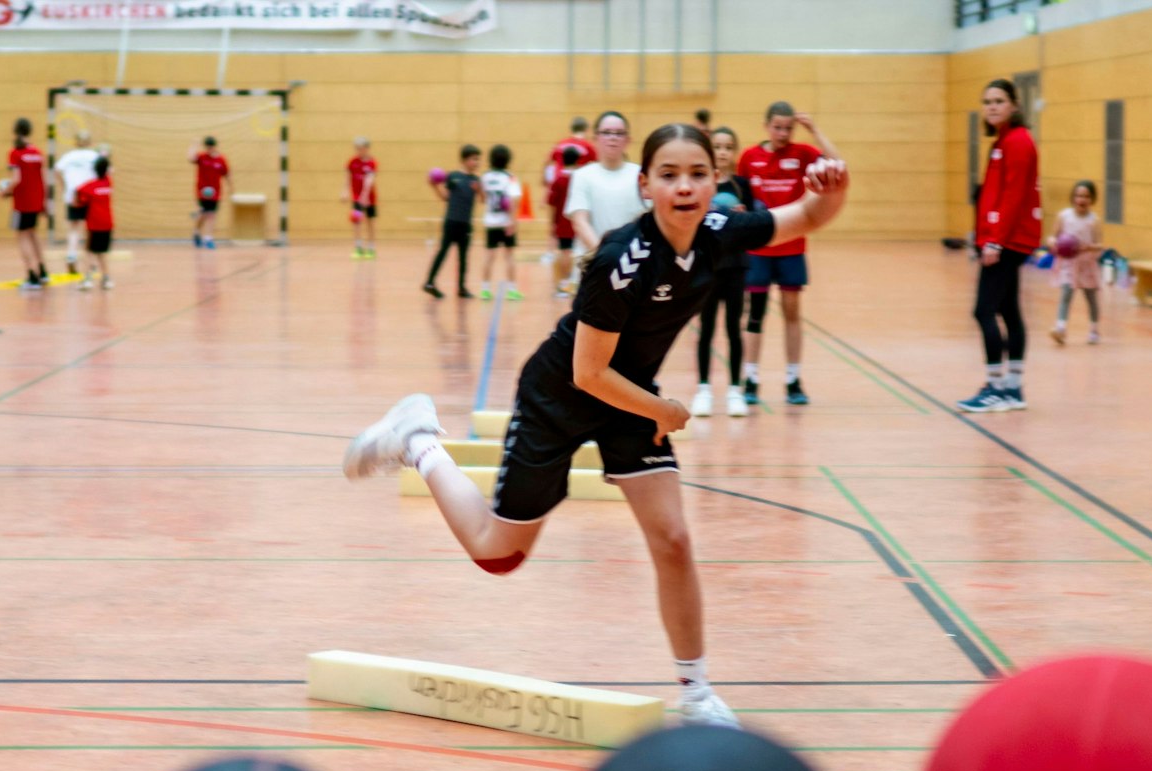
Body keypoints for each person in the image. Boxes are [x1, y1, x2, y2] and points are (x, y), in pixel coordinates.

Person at [342, 123, 851, 729]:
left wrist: (832, 186)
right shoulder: (621, 259)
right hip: (564, 393)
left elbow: (808, 216)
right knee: (497, 555)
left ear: (715, 182)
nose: (684, 186)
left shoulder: (720, 231)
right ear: (645, 187)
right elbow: (588, 372)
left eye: (696, 174)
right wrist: (664, 411)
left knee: (675, 541)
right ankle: (419, 441)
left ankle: (696, 695)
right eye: (668, 175)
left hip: (628, 397)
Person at [738, 100, 839, 407]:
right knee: (755, 315)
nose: (783, 133)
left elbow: (836, 163)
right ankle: (751, 378)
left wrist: (815, 130)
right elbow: (741, 199)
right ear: (766, 125)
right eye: (777, 127)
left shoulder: (803, 154)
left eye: (788, 128)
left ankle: (793, 379)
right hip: (759, 248)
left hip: (792, 247)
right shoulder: (749, 158)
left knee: (791, 312)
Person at [956, 78, 1042, 412]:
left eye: (999, 100)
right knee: (1008, 310)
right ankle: (1013, 388)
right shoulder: (1003, 141)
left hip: (1008, 240)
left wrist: (995, 241)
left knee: (983, 310)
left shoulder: (1018, 141)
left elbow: (1013, 196)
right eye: (987, 101)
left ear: (1014, 105)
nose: (992, 106)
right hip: (1004, 240)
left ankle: (994, 388)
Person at [692, 125, 757, 418]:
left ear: (734, 152)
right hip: (708, 266)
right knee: (706, 329)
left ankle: (735, 390)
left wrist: (746, 220)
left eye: (728, 147)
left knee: (734, 329)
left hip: (736, 267)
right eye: (717, 146)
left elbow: (757, 228)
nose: (722, 152)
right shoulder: (701, 183)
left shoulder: (743, 185)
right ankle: (703, 388)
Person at [564, 110, 643, 262]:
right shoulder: (582, 175)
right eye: (606, 132)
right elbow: (580, 222)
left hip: (633, 266)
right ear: (595, 139)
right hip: (592, 266)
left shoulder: (640, 175)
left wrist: (627, 261)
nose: (613, 137)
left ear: (628, 140)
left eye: (619, 133)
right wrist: (605, 258)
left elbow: (648, 222)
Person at [1050, 179, 1104, 346]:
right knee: (1066, 294)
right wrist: (1052, 243)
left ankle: (1094, 329)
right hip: (1069, 264)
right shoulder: (1063, 216)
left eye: (1086, 196)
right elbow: (1053, 236)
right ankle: (1060, 328)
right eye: (1079, 195)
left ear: (1092, 199)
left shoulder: (1094, 221)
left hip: (1087, 264)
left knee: (1091, 298)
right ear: (1073, 198)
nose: (1082, 199)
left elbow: (1100, 245)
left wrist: (1089, 247)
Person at [423, 144, 482, 300]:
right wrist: (434, 186)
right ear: (464, 160)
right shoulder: (453, 176)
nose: (476, 162)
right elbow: (445, 197)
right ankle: (429, 282)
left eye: (478, 159)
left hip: (466, 223)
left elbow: (483, 200)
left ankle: (462, 288)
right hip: (451, 221)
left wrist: (479, 190)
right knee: (442, 252)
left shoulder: (476, 180)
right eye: (473, 159)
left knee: (463, 257)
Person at [0, 117, 50, 290]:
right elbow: (43, 179)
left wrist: (4, 192)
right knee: (33, 234)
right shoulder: (37, 153)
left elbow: (16, 180)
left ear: (15, 131)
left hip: (21, 204)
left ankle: (31, 275)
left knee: (22, 237)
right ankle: (42, 271)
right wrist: (44, 202)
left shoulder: (15, 152)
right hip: (36, 202)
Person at [479, 144, 523, 301]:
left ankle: (484, 290)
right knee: (509, 256)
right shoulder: (510, 177)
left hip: (490, 222)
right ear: (508, 160)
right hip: (505, 222)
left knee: (489, 256)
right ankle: (512, 290)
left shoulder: (485, 177)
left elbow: (482, 198)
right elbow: (514, 199)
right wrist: (512, 221)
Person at [53, 130, 101, 273]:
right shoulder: (95, 156)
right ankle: (91, 261)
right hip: (90, 196)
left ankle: (71, 256)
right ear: (89, 142)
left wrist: (65, 187)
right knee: (91, 229)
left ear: (75, 142)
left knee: (74, 228)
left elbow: (56, 170)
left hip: (73, 195)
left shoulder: (69, 156)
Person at [547, 145, 583, 299]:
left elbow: (552, 202)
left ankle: (563, 284)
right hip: (580, 222)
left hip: (562, 222)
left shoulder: (559, 179)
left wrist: (551, 223)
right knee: (578, 253)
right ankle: (574, 283)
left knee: (564, 252)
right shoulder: (581, 178)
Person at [75, 155, 115, 290]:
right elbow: (110, 171)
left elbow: (79, 191)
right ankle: (106, 279)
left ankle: (87, 279)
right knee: (102, 253)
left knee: (89, 252)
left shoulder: (90, 186)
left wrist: (77, 202)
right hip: (108, 224)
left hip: (95, 225)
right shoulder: (109, 183)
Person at [188, 136, 231, 248]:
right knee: (203, 213)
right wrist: (194, 145)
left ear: (214, 147)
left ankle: (208, 238)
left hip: (215, 192)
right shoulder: (202, 157)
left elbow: (226, 174)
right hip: (202, 190)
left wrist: (231, 188)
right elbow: (191, 158)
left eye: (210, 147)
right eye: (207, 147)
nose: (209, 149)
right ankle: (196, 232)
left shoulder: (221, 160)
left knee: (211, 214)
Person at [347, 136, 378, 260]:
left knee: (370, 222)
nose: (358, 150)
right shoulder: (352, 162)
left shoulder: (372, 162)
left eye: (360, 148)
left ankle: (371, 248)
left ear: (366, 148)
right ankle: (358, 248)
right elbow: (348, 177)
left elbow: (370, 180)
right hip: (356, 198)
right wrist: (344, 191)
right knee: (357, 221)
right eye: (356, 148)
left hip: (369, 198)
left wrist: (365, 196)